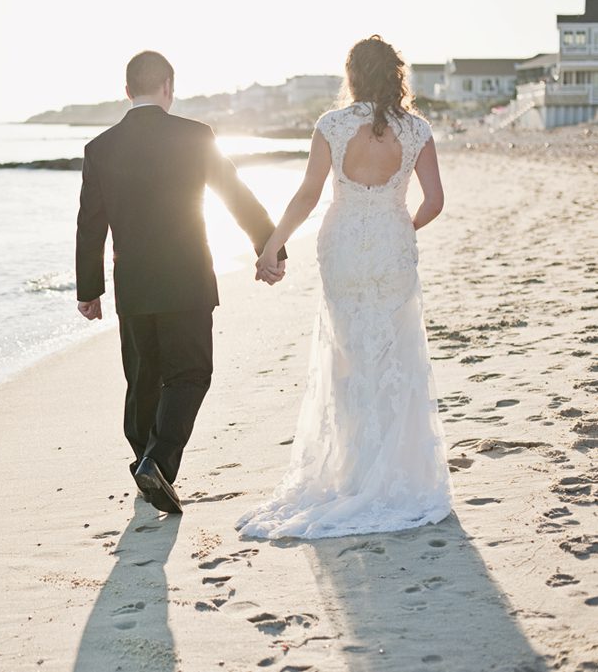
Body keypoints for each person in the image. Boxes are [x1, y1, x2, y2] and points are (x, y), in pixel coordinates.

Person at [236, 35, 453, 539]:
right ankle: (395, 471)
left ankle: (353, 473)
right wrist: (403, 227)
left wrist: (271, 246)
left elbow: (309, 195)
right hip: (391, 249)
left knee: (349, 356)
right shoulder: (417, 129)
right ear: (396, 76)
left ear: (352, 75)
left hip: (343, 252)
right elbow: (435, 200)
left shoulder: (331, 126)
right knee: (396, 355)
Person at [75, 50, 287, 514]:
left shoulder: (100, 148)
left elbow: (90, 225)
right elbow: (235, 194)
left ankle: (147, 464)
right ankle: (156, 462)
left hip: (134, 286)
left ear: (127, 91)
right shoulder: (196, 136)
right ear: (169, 87)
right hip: (187, 279)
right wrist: (269, 247)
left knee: (143, 379)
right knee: (190, 375)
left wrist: (88, 290)